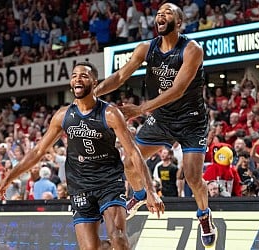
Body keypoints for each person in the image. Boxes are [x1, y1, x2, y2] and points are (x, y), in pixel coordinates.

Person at [0, 61, 164, 250]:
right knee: (90, 248)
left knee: (119, 239)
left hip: (108, 181)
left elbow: (133, 152)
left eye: (83, 75)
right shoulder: (63, 115)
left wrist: (150, 191)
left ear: (94, 82)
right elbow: (38, 151)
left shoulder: (110, 114)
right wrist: (7, 179)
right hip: (80, 184)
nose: (77, 79)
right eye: (74, 76)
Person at [93, 3, 216, 248]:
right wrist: (93, 93)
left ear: (179, 22)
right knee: (129, 163)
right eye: (159, 13)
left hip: (191, 120)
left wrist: (139, 109)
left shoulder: (192, 50)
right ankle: (139, 195)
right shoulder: (146, 48)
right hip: (161, 119)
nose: (161, 15)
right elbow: (119, 77)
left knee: (192, 177)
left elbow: (178, 89)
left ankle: (204, 215)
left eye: (167, 12)